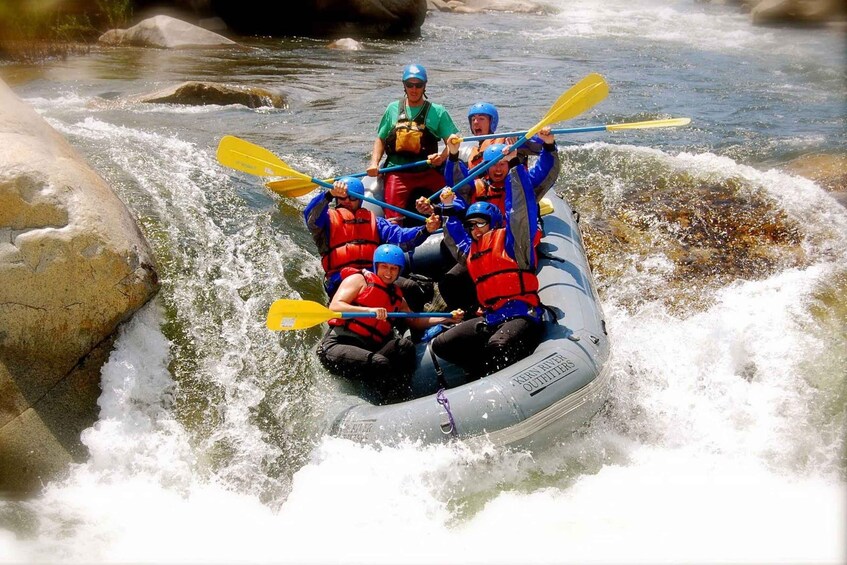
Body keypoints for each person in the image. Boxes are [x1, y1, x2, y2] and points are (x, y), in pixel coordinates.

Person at [430, 128, 558, 380]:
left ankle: (495, 376)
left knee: (497, 347)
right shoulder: (472, 250)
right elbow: (456, 231)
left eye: (481, 224)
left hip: (522, 312)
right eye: (472, 225)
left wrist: (517, 164)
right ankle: (477, 369)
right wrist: (445, 206)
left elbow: (519, 209)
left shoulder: (513, 241)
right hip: (492, 315)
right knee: (442, 344)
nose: (475, 230)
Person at [316, 244, 463, 403]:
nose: (388, 272)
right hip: (337, 345)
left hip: (366, 349)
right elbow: (336, 306)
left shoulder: (397, 298)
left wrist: (447, 318)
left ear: (399, 271)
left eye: (394, 268)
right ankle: (388, 402)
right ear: (376, 266)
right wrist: (369, 311)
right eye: (384, 267)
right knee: (380, 363)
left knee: (404, 346)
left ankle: (403, 394)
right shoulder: (359, 280)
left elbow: (416, 321)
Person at [303, 176, 440, 312]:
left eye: (352, 198)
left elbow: (400, 237)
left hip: (375, 276)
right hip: (341, 279)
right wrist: (328, 194)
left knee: (411, 287)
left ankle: (413, 329)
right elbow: (311, 217)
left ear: (361, 199)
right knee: (367, 296)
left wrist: (425, 230)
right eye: (342, 198)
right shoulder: (326, 222)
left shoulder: (376, 222)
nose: (347, 202)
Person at [367, 63, 459, 226]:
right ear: (404, 85)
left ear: (425, 86)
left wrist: (442, 157)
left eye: (418, 85)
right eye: (410, 85)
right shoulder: (392, 109)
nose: (414, 89)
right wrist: (374, 163)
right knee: (393, 219)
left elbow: (453, 140)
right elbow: (380, 139)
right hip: (398, 172)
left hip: (428, 170)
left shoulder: (437, 111)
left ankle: (450, 228)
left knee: (453, 199)